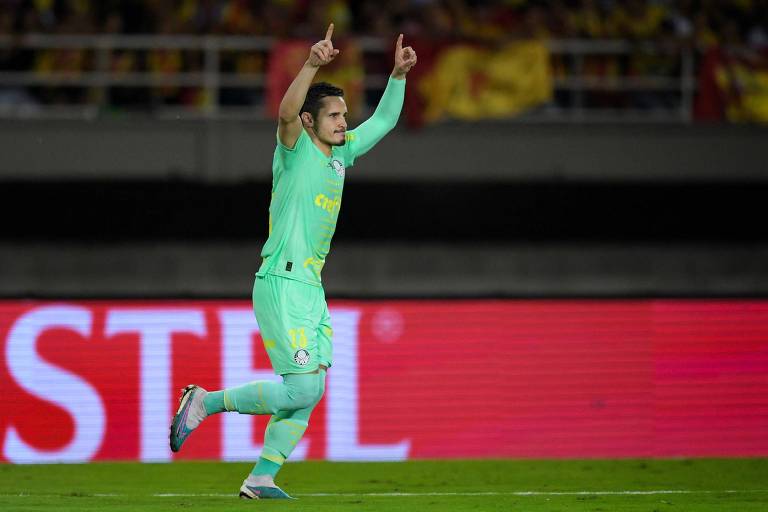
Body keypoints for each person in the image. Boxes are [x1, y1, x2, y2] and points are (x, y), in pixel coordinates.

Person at [168, 23, 417, 500]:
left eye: (345, 115)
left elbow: (383, 121)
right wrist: (311, 65)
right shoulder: (294, 148)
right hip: (281, 283)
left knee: (311, 390)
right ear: (310, 122)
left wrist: (398, 76)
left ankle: (261, 478)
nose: (344, 122)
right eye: (334, 116)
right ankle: (204, 401)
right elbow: (284, 112)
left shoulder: (342, 156)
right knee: (302, 389)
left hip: (310, 288)